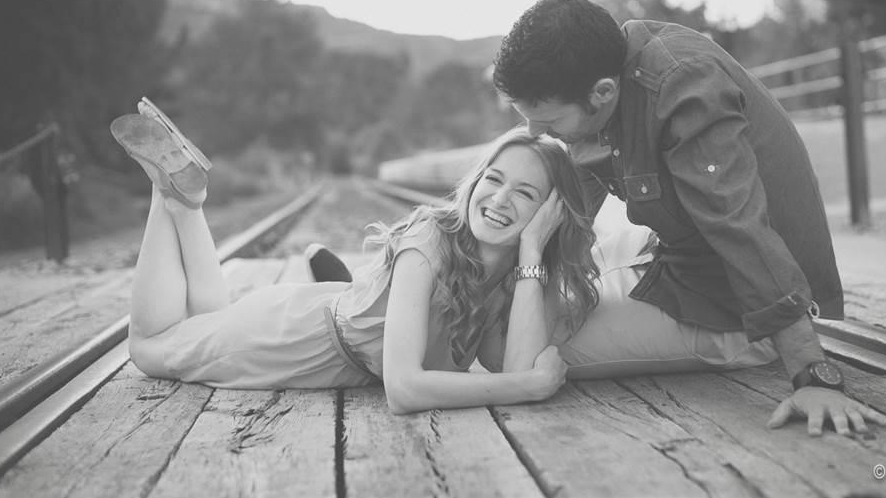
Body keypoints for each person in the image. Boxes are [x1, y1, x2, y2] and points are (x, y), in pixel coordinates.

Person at [492, 0, 886, 436]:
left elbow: (736, 225)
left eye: (548, 122)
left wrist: (812, 374)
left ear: (602, 92)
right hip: (673, 261)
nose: (534, 132)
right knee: (511, 310)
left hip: (730, 311)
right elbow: (571, 204)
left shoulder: (682, 86)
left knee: (513, 349)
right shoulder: (604, 71)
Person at [109, 103, 600, 414]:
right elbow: (405, 390)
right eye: (494, 179)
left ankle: (186, 202)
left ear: (550, 214)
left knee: (208, 318)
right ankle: (163, 188)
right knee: (149, 348)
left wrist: (533, 251)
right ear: (476, 181)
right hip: (291, 342)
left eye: (526, 193)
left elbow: (510, 367)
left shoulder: (511, 277)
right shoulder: (430, 236)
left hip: (317, 315)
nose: (499, 199)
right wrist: (529, 388)